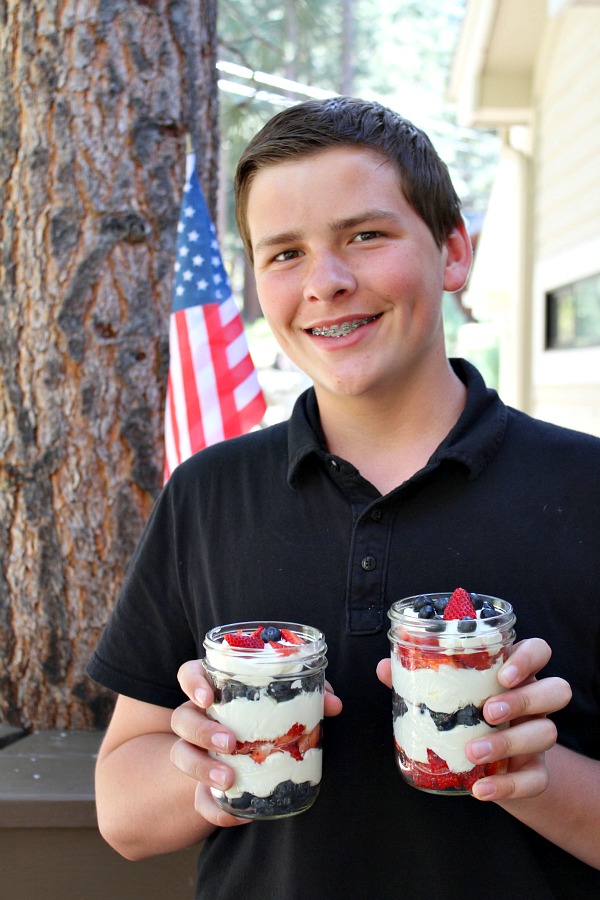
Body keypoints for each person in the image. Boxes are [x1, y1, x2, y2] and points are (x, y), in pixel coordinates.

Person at [87, 97, 600, 899]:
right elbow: (122, 813)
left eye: (365, 235)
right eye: (284, 253)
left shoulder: (585, 488)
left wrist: (531, 767)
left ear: (453, 251)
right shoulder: (208, 494)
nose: (324, 282)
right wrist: (209, 765)